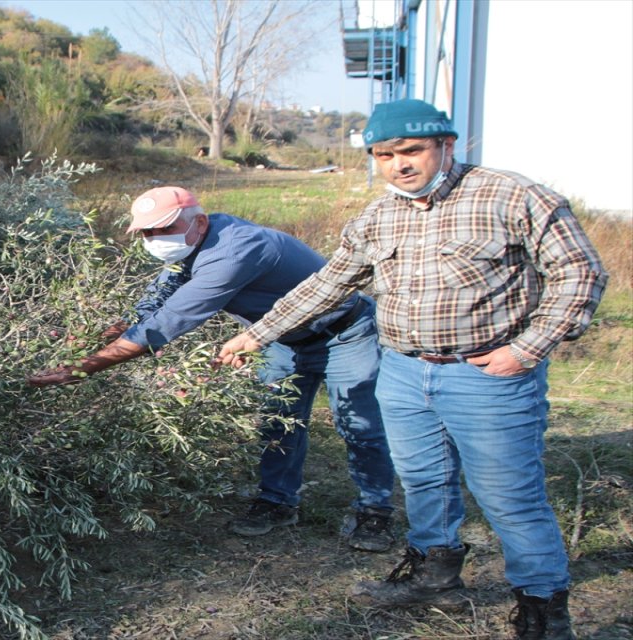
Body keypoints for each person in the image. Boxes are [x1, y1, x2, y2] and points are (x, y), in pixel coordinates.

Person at [215, 99, 608, 640]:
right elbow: (326, 285)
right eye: (383, 154)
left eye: (411, 151)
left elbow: (580, 273)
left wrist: (528, 348)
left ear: (447, 146)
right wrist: (255, 333)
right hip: (401, 372)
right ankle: (433, 574)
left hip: (487, 377)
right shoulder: (378, 217)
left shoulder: (513, 196)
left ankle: (541, 606)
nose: (398, 164)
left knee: (508, 495)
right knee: (424, 480)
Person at [27, 185, 397, 551]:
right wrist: (89, 340)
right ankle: (277, 502)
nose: (154, 239)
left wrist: (80, 369)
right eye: (146, 233)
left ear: (199, 222)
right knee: (276, 422)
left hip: (345, 333)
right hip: (282, 341)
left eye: (162, 229)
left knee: (359, 426)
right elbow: (149, 308)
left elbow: (166, 323)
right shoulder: (190, 246)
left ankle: (375, 511)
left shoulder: (233, 251)